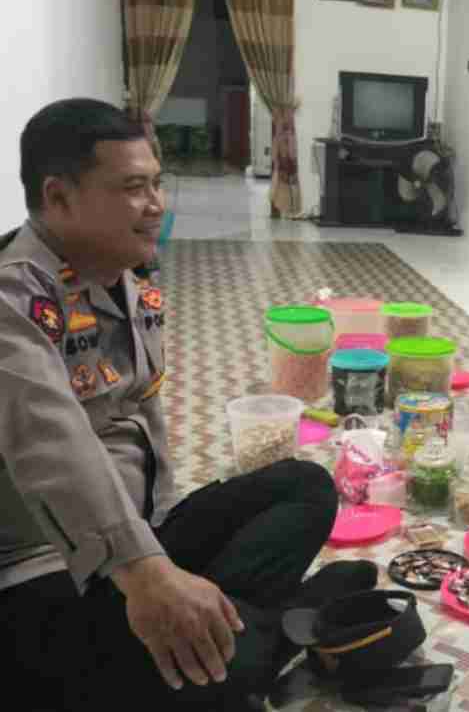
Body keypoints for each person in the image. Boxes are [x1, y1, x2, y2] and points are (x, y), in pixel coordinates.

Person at [0, 99, 370, 711]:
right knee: (225, 674)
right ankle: (276, 627)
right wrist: (147, 572)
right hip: (50, 571)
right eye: (133, 188)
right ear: (59, 197)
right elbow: (53, 446)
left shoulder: (126, 280)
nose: (156, 205)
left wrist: (168, 549)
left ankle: (231, 626)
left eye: (157, 184)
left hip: (143, 532)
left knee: (306, 486)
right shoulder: (13, 300)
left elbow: (145, 415)